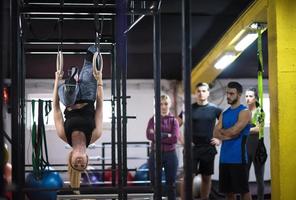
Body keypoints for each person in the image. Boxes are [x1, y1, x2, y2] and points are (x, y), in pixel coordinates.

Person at [53, 45, 103, 189]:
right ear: (87, 159)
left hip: (70, 99)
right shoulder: (95, 134)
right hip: (88, 95)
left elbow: (56, 109)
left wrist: (57, 79)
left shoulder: (64, 135)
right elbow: (99, 107)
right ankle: (74, 77)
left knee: (68, 98)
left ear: (71, 158)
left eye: (76, 163)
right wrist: (99, 80)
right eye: (82, 164)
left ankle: (72, 81)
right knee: (93, 51)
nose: (79, 162)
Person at [179, 82, 222, 200]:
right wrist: (183, 141)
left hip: (208, 148)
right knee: (188, 178)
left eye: (203, 91)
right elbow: (175, 125)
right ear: (195, 93)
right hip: (192, 148)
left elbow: (225, 125)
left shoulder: (215, 110)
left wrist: (219, 139)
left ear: (208, 93)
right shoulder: (188, 109)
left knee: (206, 178)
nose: (201, 93)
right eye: (198, 91)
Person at [214, 81, 252, 200]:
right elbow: (215, 133)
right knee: (228, 192)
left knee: (243, 191)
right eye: (227, 93)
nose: (228, 96)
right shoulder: (224, 113)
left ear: (239, 94)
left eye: (231, 93)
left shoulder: (245, 112)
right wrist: (228, 135)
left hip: (238, 159)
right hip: (224, 159)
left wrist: (224, 133)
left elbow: (235, 131)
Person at [146, 94, 180, 200]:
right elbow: (149, 135)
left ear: (169, 105)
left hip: (170, 154)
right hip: (156, 154)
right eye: (160, 104)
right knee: (155, 184)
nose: (163, 106)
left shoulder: (174, 120)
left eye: (165, 104)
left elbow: (174, 138)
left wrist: (158, 136)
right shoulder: (153, 120)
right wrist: (167, 135)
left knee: (171, 184)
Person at [245, 87, 265, 200]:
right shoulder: (244, 112)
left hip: (258, 149)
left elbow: (259, 129)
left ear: (255, 98)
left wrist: (245, 130)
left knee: (259, 178)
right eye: (246, 96)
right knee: (244, 177)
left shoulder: (260, 111)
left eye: (250, 96)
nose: (248, 98)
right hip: (246, 148)